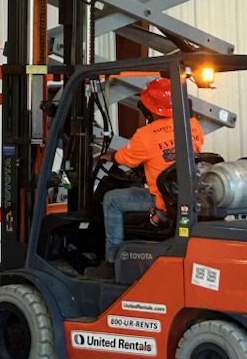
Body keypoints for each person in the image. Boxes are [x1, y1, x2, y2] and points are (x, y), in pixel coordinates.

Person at [85, 77, 204, 280]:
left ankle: (111, 262)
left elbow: (126, 159)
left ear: (149, 110)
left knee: (111, 200)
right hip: (187, 196)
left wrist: (110, 156)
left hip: (162, 202)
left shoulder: (146, 135)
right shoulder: (193, 125)